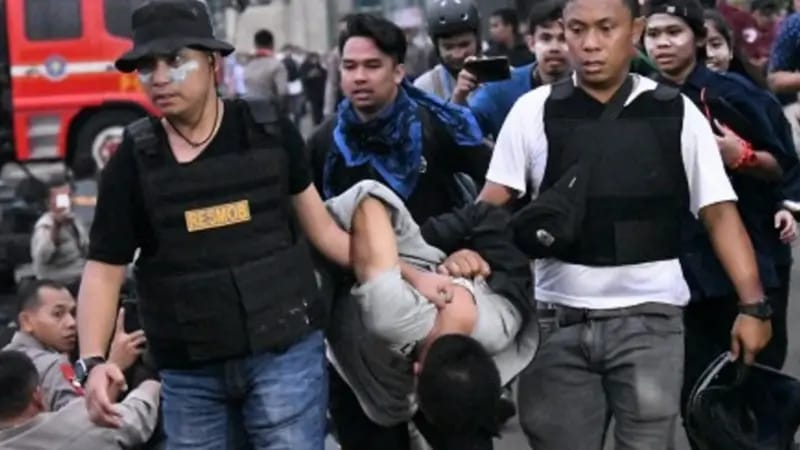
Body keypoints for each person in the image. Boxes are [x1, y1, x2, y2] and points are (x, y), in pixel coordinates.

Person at [476, 0, 773, 447]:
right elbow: (489, 206)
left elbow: (719, 213)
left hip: (651, 321)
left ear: (635, 31)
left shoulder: (678, 113)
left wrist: (754, 308)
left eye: (606, 28)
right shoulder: (531, 112)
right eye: (577, 29)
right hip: (556, 322)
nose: (590, 43)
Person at [76, 1, 353, 448]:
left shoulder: (270, 131)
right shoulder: (131, 161)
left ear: (212, 62)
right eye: (147, 66)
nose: (159, 77)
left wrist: (410, 273)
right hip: (190, 372)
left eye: (175, 60)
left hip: (282, 355)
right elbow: (104, 270)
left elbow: (323, 232)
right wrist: (91, 362)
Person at [644, 4, 796, 444]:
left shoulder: (733, 95)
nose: (663, 43)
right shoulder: (639, 100)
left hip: (748, 264)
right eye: (654, 34)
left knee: (755, 392)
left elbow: (783, 165)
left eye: (674, 32)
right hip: (680, 272)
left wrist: (740, 156)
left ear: (696, 38)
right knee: (700, 400)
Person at [324, 180, 537, 450]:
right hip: (365, 365)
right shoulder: (395, 314)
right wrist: (421, 257)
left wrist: (408, 267)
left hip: (378, 357)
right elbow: (366, 199)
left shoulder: (503, 324)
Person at [306, 13, 490, 224]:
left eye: (372, 65)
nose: (359, 77)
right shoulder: (325, 141)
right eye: (349, 66)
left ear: (398, 73)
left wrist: (447, 232)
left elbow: (498, 187)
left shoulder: (436, 125)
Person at [3, 280, 144, 412]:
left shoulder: (6, 356)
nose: (72, 323)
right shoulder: (54, 364)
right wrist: (114, 365)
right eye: (58, 314)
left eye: (73, 313)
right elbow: (83, 422)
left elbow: (75, 378)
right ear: (26, 321)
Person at [453, 0, 570, 139]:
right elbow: (465, 132)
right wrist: (459, 97)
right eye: (546, 38)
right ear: (531, 43)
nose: (554, 48)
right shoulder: (502, 89)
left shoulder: (590, 89)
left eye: (563, 39)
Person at [0, 350, 160, 450]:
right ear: (37, 396)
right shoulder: (55, 364)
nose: (69, 323)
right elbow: (135, 415)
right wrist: (152, 381)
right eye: (57, 314)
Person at [413, 0, 482, 100]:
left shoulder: (501, 79)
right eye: (448, 47)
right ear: (437, 47)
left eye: (464, 45)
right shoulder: (424, 87)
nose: (457, 55)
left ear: (477, 41)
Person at [30, 176, 88, 294]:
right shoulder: (45, 226)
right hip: (60, 283)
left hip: (81, 275)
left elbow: (86, 248)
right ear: (48, 202)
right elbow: (42, 258)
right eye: (61, 198)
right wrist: (56, 227)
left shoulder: (75, 221)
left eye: (69, 196)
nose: (67, 201)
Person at [243, 29, 288, 104]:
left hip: (249, 106)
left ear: (255, 45)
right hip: (268, 107)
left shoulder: (248, 65)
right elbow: (283, 92)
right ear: (272, 44)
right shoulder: (277, 65)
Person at [300, 52, 327, 126]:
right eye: (314, 58)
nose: (315, 60)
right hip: (312, 91)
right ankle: (317, 123)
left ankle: (320, 121)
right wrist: (310, 75)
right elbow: (303, 78)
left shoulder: (319, 66)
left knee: (320, 107)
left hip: (321, 90)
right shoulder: (305, 66)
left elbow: (324, 74)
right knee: (315, 108)